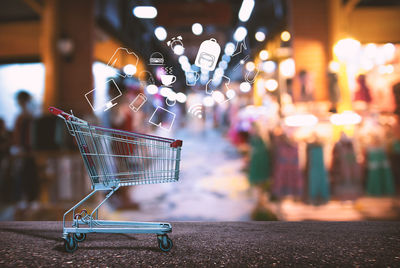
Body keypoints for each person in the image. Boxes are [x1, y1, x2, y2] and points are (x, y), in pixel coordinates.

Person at [11, 90, 39, 209]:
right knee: (24, 174)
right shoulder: (23, 116)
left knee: (28, 174)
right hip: (23, 150)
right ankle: (26, 200)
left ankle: (29, 200)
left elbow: (28, 136)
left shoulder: (27, 116)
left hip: (27, 150)